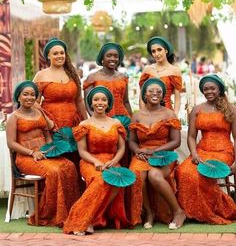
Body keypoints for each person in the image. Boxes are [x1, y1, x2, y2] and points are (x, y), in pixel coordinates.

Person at [6, 81, 80, 226]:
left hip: (45, 153)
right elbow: (11, 143)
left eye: (33, 95)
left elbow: (48, 133)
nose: (29, 98)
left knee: (69, 166)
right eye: (25, 94)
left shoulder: (39, 112)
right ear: (18, 97)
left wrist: (52, 148)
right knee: (54, 171)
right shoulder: (13, 117)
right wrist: (32, 152)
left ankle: (71, 211)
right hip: (26, 158)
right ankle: (50, 214)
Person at [63, 86, 129, 235]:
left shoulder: (116, 123)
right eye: (96, 99)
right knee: (100, 180)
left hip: (111, 161)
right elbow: (82, 151)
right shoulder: (84, 125)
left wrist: (114, 161)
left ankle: (91, 219)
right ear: (91, 103)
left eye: (104, 99)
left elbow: (121, 148)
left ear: (108, 103)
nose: (100, 102)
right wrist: (95, 162)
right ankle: (81, 219)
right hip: (90, 162)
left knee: (117, 180)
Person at [176, 74, 236, 224]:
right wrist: (194, 154)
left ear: (220, 89)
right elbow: (190, 136)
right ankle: (191, 211)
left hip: (223, 152)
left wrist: (235, 162)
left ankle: (210, 211)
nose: (209, 91)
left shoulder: (231, 109)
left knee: (202, 174)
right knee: (183, 171)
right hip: (201, 151)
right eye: (205, 89)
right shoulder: (197, 110)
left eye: (212, 88)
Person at [128, 78, 186, 229]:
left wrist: (153, 151)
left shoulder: (169, 114)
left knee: (154, 175)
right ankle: (148, 212)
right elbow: (132, 141)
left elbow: (176, 142)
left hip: (163, 154)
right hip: (142, 154)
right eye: (151, 91)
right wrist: (137, 151)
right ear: (144, 95)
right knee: (137, 174)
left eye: (159, 92)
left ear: (163, 96)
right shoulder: (137, 115)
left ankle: (178, 211)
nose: (155, 93)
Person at [33, 37, 87, 128]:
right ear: (48, 56)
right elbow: (34, 103)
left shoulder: (73, 74)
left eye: (62, 53)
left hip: (73, 124)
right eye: (55, 53)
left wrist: (86, 121)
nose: (59, 56)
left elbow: (79, 101)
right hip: (50, 124)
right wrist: (46, 120)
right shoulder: (41, 75)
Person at [83, 42, 132, 118]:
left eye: (116, 56)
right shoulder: (93, 77)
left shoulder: (123, 77)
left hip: (122, 119)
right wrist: (95, 119)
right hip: (101, 119)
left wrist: (131, 120)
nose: (113, 59)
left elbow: (126, 102)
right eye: (109, 56)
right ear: (102, 58)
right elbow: (87, 103)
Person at [139, 37, 182, 116]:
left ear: (166, 50)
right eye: (153, 51)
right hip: (149, 113)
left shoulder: (175, 71)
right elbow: (142, 95)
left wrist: (175, 116)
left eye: (159, 49)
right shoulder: (147, 70)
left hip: (167, 113)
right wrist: (143, 114)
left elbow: (177, 98)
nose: (157, 54)